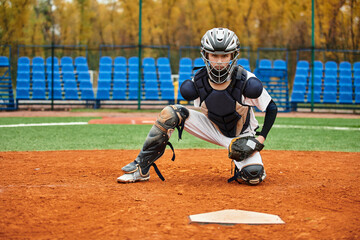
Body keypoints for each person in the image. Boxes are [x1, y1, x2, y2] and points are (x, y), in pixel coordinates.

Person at [117, 27, 277, 185]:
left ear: (233, 55)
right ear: (206, 54)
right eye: (214, 55)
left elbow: (272, 108)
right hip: (212, 128)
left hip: (241, 134)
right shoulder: (199, 81)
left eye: (225, 55)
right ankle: (141, 167)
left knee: (253, 175)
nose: (219, 61)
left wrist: (260, 138)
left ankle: (241, 166)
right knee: (171, 113)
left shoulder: (246, 80)